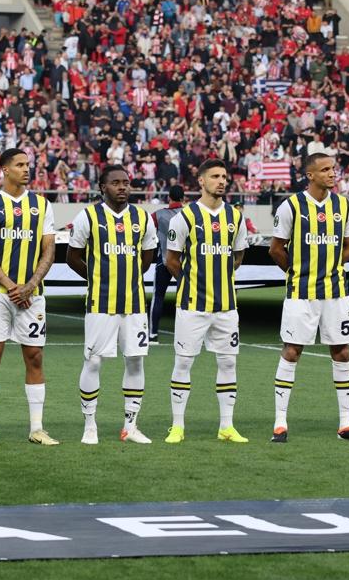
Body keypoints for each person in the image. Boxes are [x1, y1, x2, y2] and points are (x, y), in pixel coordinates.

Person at [268, 152, 349, 443]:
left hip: (336, 293)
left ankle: (346, 424)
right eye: (325, 170)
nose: (332, 174)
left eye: (333, 169)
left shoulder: (343, 205)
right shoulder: (292, 206)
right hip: (301, 293)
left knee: (342, 352)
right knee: (292, 351)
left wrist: (331, 265)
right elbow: (276, 248)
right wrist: (297, 271)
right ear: (310, 175)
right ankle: (280, 423)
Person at [66, 165, 158, 445]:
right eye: (116, 182)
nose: (122, 187)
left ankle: (129, 427)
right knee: (93, 361)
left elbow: (147, 257)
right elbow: (73, 257)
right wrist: (98, 279)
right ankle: (90, 425)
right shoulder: (88, 216)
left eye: (126, 182)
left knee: (135, 360)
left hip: (134, 304)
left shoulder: (142, 218)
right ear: (102, 187)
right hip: (99, 304)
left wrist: (127, 279)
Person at [0, 148, 58, 446]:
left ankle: (37, 428)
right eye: (20, 165)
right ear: (4, 169)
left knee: (35, 357)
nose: (26, 169)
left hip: (33, 297)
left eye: (28, 165)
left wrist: (30, 285)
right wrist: (13, 286)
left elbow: (49, 249)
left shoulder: (42, 205)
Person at [164, 159, 249, 444]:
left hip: (226, 306)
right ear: (201, 181)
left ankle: (226, 426)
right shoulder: (185, 217)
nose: (222, 181)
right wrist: (192, 282)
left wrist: (221, 277)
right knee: (184, 362)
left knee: (228, 363)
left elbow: (238, 256)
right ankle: (177, 426)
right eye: (215, 176)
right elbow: (172, 260)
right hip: (192, 305)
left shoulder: (235, 217)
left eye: (224, 176)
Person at [148, 184, 185, 343]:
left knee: (158, 297)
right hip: (183, 263)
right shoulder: (189, 214)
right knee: (184, 298)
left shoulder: (158, 215)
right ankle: (183, 336)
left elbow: (144, 231)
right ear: (183, 198)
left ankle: (153, 335)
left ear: (169, 197)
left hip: (163, 260)